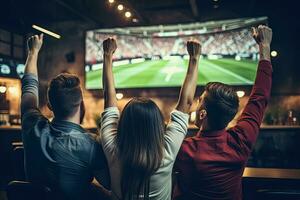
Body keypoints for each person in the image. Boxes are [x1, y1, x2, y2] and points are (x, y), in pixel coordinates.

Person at [174, 25, 273, 200]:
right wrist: (264, 46)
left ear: (203, 114)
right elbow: (260, 96)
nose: (196, 103)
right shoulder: (241, 140)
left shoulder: (184, 150)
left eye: (199, 100)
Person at [99, 37, 201, 199]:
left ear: (124, 122)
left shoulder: (113, 148)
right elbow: (187, 102)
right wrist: (194, 59)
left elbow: (108, 98)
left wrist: (106, 55)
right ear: (158, 124)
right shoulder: (167, 151)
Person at [21, 34, 109, 200]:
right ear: (81, 104)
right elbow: (110, 184)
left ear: (50, 106)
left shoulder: (32, 126)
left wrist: (33, 52)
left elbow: (28, 89)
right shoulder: (91, 145)